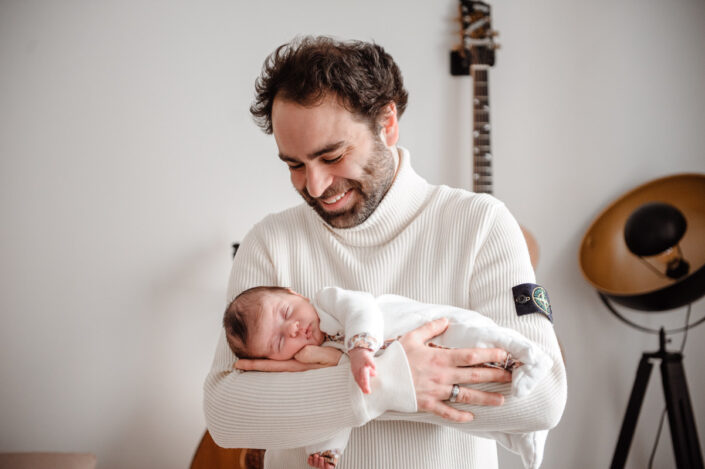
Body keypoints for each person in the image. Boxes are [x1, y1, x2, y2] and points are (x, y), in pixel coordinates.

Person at [204, 35, 567, 469]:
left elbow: (541, 398)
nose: (315, 186)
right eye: (295, 165)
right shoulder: (270, 241)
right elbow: (227, 413)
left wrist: (332, 383)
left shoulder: (481, 224)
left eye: (332, 156)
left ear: (387, 123)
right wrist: (386, 383)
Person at [223, 285, 554, 469]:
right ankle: (520, 436)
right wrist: (326, 452)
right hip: (435, 387)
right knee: (471, 414)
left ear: (294, 293)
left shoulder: (327, 301)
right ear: (273, 359)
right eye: (280, 342)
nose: (294, 328)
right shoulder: (310, 363)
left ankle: (528, 356)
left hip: (428, 327)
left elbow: (362, 309)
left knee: (477, 338)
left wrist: (360, 346)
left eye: (286, 313)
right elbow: (339, 412)